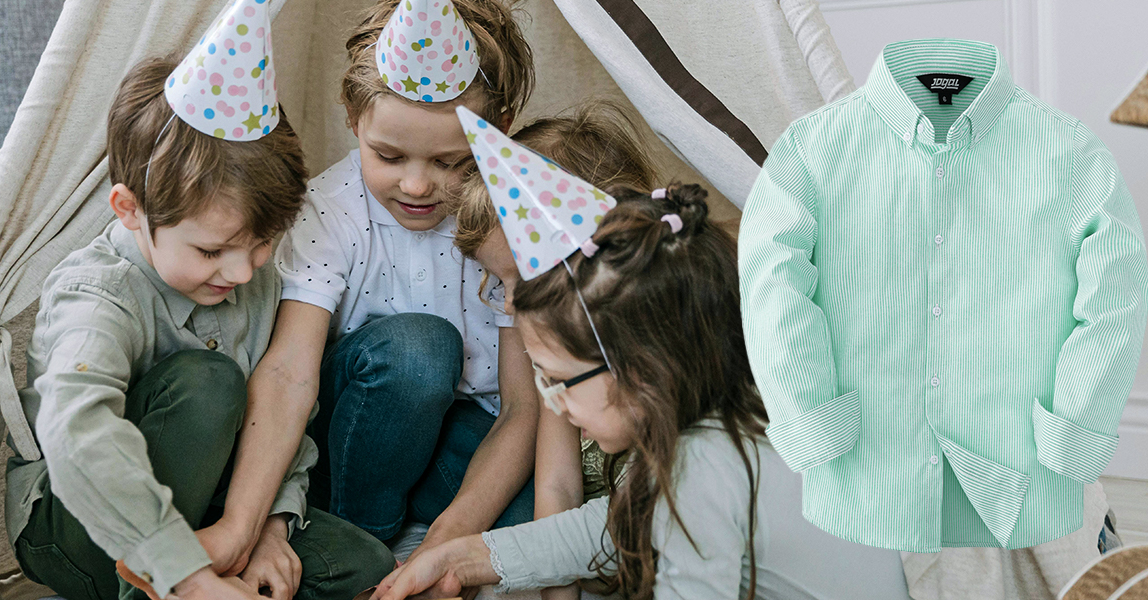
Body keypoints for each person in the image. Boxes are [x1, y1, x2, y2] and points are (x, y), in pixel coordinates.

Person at [374, 109, 911, 599]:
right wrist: (466, 558)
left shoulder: (699, 469)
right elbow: (615, 523)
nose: (554, 405)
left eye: (561, 382)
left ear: (641, 371)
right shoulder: (725, 430)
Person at [5, 5, 392, 598]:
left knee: (362, 567)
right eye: (213, 250)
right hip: (79, 527)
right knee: (207, 382)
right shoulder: (96, 294)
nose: (240, 270)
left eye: (262, 243)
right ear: (130, 210)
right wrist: (184, 574)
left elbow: (285, 410)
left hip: (212, 506)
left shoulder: (248, 276)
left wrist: (268, 525)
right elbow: (77, 433)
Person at [267, 0, 541, 566]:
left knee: (530, 526)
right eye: (388, 155)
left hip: (464, 434)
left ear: (499, 131)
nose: (417, 185)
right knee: (422, 350)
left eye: (452, 162)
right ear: (353, 117)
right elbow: (290, 373)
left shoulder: (511, 222)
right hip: (352, 433)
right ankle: (353, 547)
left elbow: (520, 410)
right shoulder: (330, 211)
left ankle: (416, 536)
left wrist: (446, 544)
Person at [449, 99, 660, 600]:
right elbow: (558, 485)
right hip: (584, 547)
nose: (511, 302)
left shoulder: (658, 357)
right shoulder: (554, 355)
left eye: (524, 275)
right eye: (498, 280)